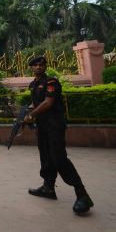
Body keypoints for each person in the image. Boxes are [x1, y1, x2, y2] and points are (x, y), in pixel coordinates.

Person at [23, 56, 94, 214]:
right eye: (35, 65)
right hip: (42, 126)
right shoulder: (33, 84)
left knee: (59, 157)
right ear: (31, 68)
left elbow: (48, 102)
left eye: (41, 65)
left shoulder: (51, 82)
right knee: (46, 156)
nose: (38, 67)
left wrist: (31, 116)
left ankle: (82, 194)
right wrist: (23, 115)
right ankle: (48, 188)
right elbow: (34, 103)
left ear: (45, 67)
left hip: (54, 125)